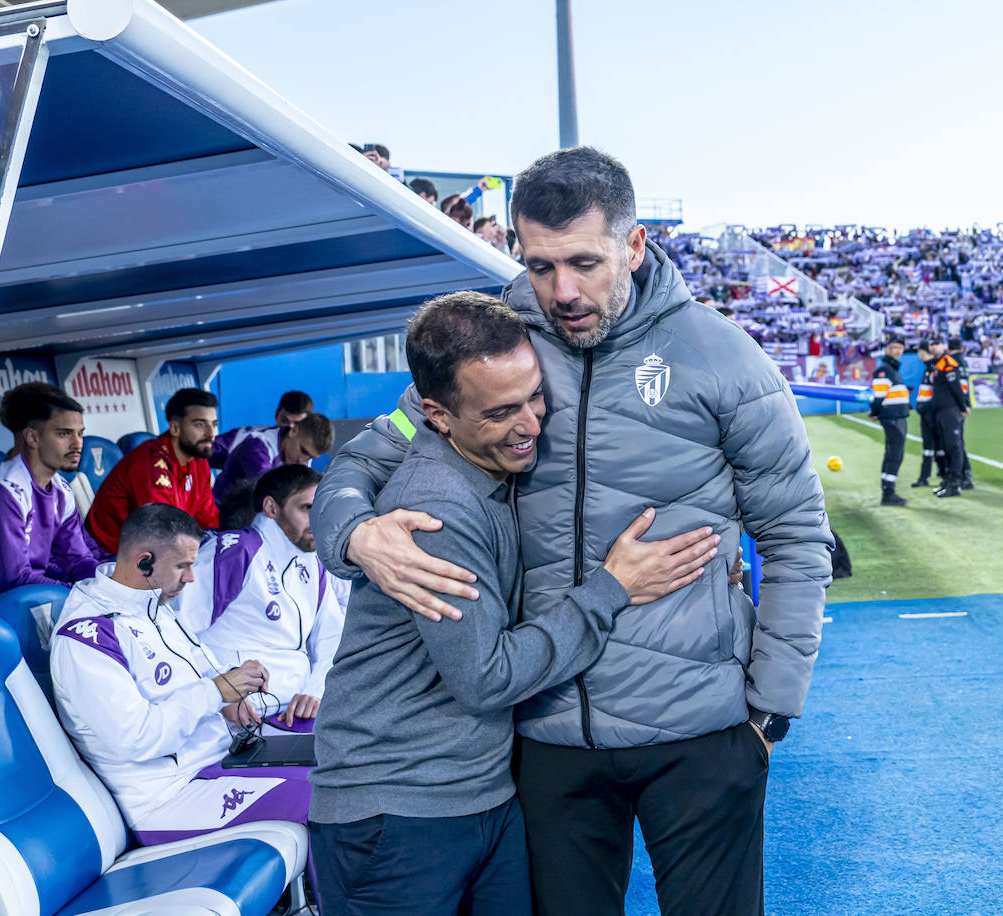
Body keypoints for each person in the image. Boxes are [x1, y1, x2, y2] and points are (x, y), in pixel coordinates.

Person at [312, 147, 833, 916]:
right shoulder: (494, 347)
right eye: (540, 264)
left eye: (584, 262)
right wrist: (354, 534)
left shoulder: (722, 357)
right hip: (548, 733)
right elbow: (363, 459)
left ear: (633, 244)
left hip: (698, 729)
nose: (562, 291)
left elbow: (796, 534)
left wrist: (768, 713)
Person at [309, 292, 718, 914]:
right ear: (436, 416)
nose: (530, 424)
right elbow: (486, 675)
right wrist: (611, 589)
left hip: (476, 795)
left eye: (534, 396)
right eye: (501, 413)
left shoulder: (494, 447)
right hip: (396, 810)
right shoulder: (439, 508)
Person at [50, 504, 311, 844]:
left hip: (216, 760)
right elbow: (136, 738)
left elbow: (198, 669)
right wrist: (216, 692)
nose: (191, 577)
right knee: (324, 793)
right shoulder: (87, 637)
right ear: (145, 561)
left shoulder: (153, 605)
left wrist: (229, 699)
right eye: (183, 565)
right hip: (166, 799)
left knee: (338, 761)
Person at [177, 465, 349, 732]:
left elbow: (330, 635)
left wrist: (315, 691)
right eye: (306, 508)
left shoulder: (312, 561)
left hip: (296, 711)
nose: (318, 520)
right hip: (237, 719)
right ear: (271, 508)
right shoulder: (236, 551)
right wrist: (219, 688)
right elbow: (176, 629)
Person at [0, 382, 99, 607]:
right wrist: (82, 593)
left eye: (80, 434)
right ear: (32, 438)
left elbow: (76, 559)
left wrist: (104, 584)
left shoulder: (61, 488)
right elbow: (15, 579)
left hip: (26, 596)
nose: (77, 444)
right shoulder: (1, 492)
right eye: (64, 434)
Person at [86, 388, 219, 553]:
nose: (211, 434)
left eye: (213, 424)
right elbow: (162, 533)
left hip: (159, 551)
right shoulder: (150, 463)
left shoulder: (198, 461)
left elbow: (208, 520)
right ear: (175, 428)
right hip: (111, 559)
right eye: (200, 425)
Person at [211, 412, 334, 529]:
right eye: (303, 451)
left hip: (254, 518)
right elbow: (271, 492)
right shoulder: (257, 445)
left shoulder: (301, 455)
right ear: (294, 430)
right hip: (219, 518)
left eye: (310, 457)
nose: (302, 461)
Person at [869, 338, 910, 506]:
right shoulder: (884, 370)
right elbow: (878, 395)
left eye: (900, 348)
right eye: (894, 348)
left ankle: (888, 490)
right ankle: (888, 492)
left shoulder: (892, 369)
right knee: (895, 454)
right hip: (892, 417)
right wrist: (875, 411)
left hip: (898, 416)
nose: (898, 351)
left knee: (893, 453)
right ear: (887, 350)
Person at [927, 339, 969, 498]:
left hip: (950, 410)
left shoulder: (948, 363)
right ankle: (947, 481)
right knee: (945, 448)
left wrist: (963, 407)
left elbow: (956, 387)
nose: (933, 346)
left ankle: (955, 484)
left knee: (953, 446)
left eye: (937, 343)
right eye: (932, 344)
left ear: (943, 346)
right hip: (940, 410)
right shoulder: (937, 364)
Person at [910, 340, 942, 488]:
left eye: (919, 351)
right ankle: (928, 475)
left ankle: (931, 475)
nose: (918, 355)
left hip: (931, 414)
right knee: (930, 446)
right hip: (928, 413)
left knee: (933, 446)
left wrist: (925, 407)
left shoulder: (933, 368)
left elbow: (937, 393)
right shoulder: (928, 368)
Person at [948, 337, 975, 489]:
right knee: (959, 440)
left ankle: (964, 474)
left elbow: (955, 386)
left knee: (956, 442)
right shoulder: (964, 362)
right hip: (962, 404)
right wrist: (967, 404)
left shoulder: (951, 362)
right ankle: (965, 474)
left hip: (954, 405)